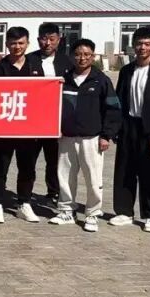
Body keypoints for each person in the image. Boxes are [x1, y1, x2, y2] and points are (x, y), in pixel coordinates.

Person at [52, 39, 122, 233]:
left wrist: (106, 135)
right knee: (65, 176)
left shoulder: (101, 80)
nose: (82, 58)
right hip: (67, 137)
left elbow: (113, 109)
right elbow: (54, 106)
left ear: (93, 56)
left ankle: (92, 214)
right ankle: (66, 210)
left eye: (86, 54)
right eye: (78, 54)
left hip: (92, 139)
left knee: (93, 179)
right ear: (72, 56)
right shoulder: (64, 80)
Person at [109, 27, 150, 234]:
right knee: (124, 171)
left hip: (149, 130)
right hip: (128, 127)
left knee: (149, 174)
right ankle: (124, 212)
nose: (142, 48)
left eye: (147, 44)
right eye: (139, 44)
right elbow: (118, 100)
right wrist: (115, 128)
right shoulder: (126, 71)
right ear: (133, 46)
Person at [0, 26, 43, 224]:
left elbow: (43, 95)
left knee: (27, 168)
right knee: (0, 168)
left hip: (28, 129)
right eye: (13, 43)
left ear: (27, 44)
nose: (17, 47)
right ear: (6, 44)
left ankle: (24, 203)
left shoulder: (36, 67)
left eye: (21, 43)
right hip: (4, 128)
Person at [27, 22, 72, 205]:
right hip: (33, 121)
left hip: (56, 122)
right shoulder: (28, 60)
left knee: (54, 160)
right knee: (28, 160)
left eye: (52, 39)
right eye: (44, 39)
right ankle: (25, 194)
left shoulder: (67, 62)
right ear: (38, 40)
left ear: (58, 40)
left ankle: (53, 193)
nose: (47, 43)